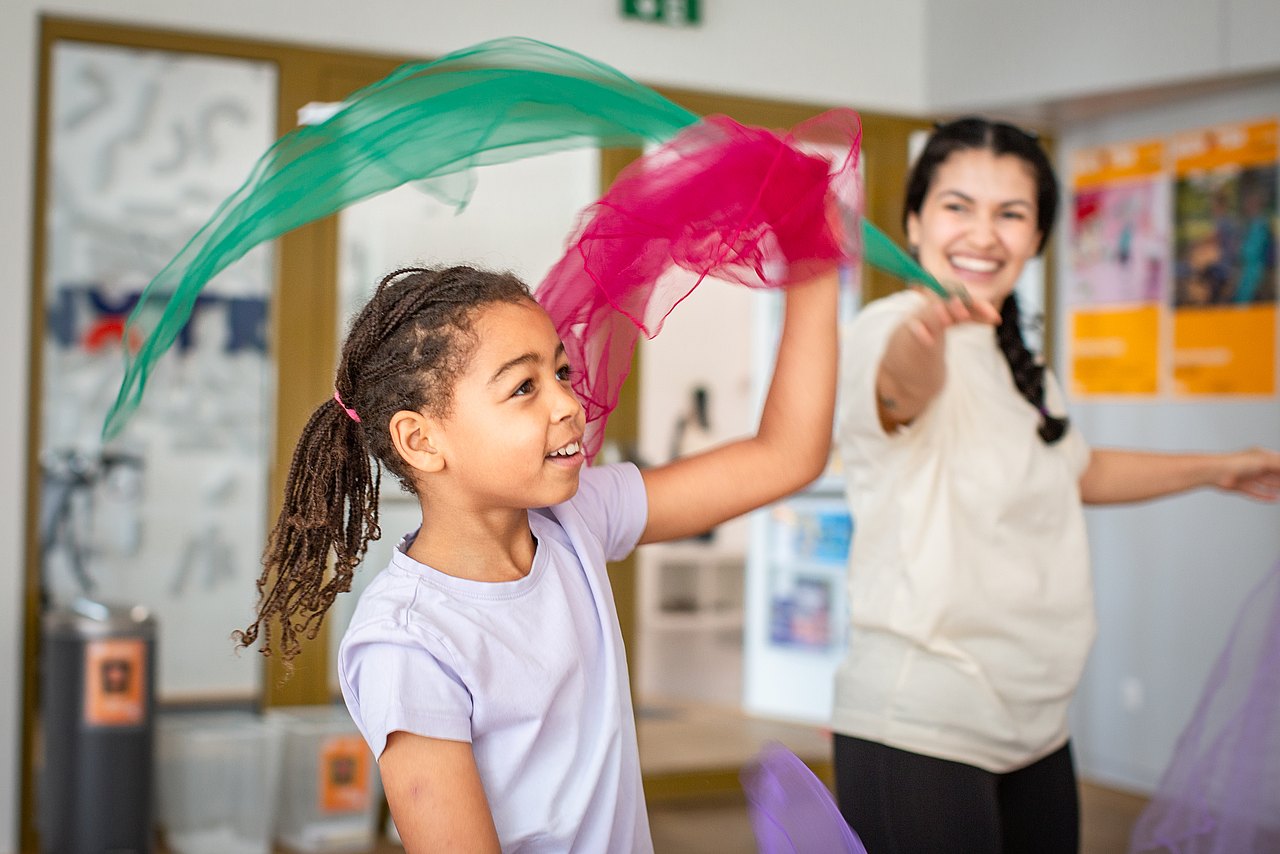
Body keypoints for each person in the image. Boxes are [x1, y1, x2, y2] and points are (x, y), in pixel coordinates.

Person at [235, 263, 838, 852]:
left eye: (562, 372)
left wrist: (813, 265)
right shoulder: (407, 642)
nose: (569, 404)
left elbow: (786, 455)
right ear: (421, 440)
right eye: (524, 387)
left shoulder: (577, 519)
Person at [832, 116, 1280, 854]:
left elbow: (1075, 468)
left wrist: (1218, 469)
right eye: (957, 206)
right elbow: (901, 391)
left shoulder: (1022, 363)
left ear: (1036, 238)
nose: (984, 234)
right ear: (913, 222)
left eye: (1011, 214)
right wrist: (926, 337)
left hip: (1037, 726)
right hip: (921, 724)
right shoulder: (890, 330)